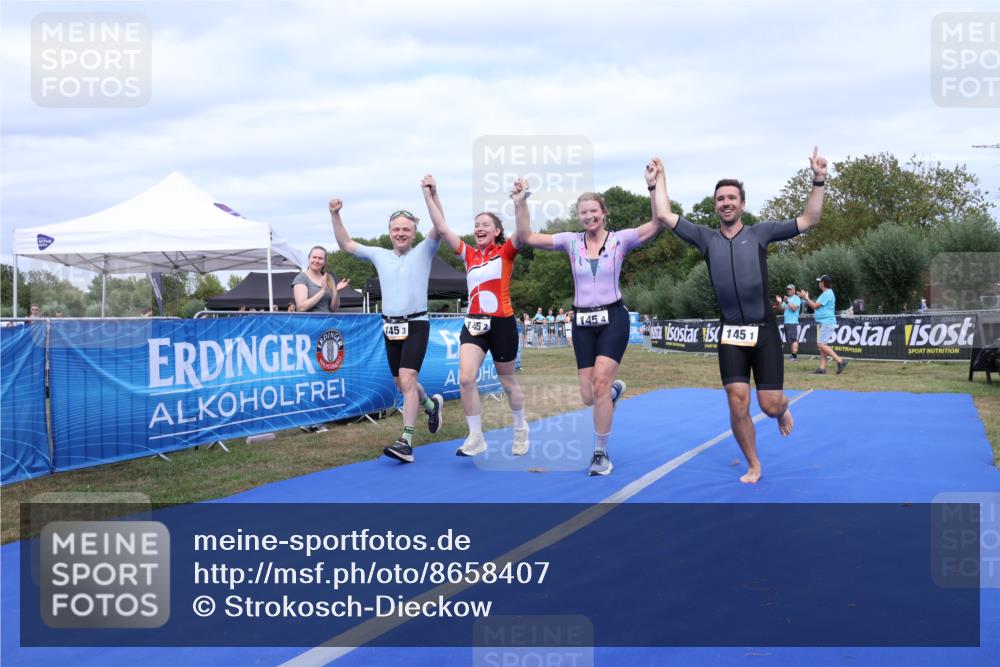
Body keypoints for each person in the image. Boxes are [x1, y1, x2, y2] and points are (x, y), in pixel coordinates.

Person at [650, 148, 829, 484]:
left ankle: (782, 407)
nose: (726, 202)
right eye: (720, 198)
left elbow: (809, 220)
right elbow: (663, 214)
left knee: (768, 405)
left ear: (742, 204)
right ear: (716, 205)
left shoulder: (760, 233)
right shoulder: (706, 239)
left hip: (763, 332)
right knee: (737, 400)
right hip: (731, 332)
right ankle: (754, 464)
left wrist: (818, 179)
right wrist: (657, 180)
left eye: (732, 197)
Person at [514, 171, 665, 477]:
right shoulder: (570, 242)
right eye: (583, 213)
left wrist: (654, 186)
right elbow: (527, 237)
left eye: (593, 211)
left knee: (599, 384)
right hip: (582, 321)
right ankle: (611, 394)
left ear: (604, 213)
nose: (588, 217)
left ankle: (600, 453)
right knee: (588, 395)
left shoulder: (620, 239)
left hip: (613, 318)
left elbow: (659, 222)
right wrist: (520, 202)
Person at [329, 193, 444, 464]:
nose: (401, 233)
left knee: (407, 380)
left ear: (414, 232)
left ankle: (405, 442)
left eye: (406, 229)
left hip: (416, 323)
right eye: (396, 229)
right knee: (402, 383)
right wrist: (335, 214)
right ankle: (431, 405)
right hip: (390, 326)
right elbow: (345, 243)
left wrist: (432, 195)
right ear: (389, 232)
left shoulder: (424, 251)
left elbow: (440, 227)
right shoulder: (379, 255)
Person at [420, 174, 529, 457]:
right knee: (466, 379)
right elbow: (442, 227)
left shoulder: (505, 252)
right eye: (476, 224)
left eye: (485, 225)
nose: (479, 228)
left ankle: (520, 428)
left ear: (495, 232)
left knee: (507, 382)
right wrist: (430, 194)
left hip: (502, 322)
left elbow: (524, 231)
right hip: (474, 323)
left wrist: (519, 202)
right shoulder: (469, 254)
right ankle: (476, 437)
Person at [798, 275, 848, 375]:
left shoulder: (827, 294)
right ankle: (822, 368)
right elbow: (814, 304)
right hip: (826, 322)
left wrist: (806, 298)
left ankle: (840, 361)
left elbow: (814, 306)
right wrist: (806, 298)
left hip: (827, 322)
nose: (819, 283)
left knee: (821, 344)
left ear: (823, 283)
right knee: (822, 346)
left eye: (820, 281)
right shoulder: (826, 293)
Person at [293, 245, 349, 314]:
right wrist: (322, 290)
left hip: (327, 322)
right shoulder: (301, 278)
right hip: (309, 322)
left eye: (320, 258)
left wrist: (336, 292)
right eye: (314, 257)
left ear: (325, 262)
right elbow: (301, 307)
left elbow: (333, 309)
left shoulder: (329, 278)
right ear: (309, 259)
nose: (316, 261)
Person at [776, 284, 801, 361]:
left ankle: (794, 356)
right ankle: (792, 356)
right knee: (791, 340)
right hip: (787, 322)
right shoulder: (787, 299)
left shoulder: (796, 298)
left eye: (790, 289)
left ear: (794, 290)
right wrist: (780, 302)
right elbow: (780, 309)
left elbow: (794, 308)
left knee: (793, 339)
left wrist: (787, 301)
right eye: (787, 289)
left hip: (792, 322)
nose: (788, 291)